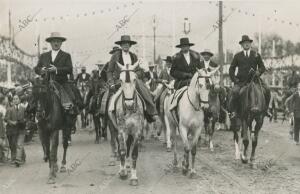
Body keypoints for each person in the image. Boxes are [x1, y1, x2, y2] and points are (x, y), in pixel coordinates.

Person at [107, 35, 157, 123]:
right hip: (120, 81)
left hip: (133, 81)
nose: (126, 45)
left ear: (130, 45)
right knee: (108, 98)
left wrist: (134, 75)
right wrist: (111, 83)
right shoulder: (115, 56)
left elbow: (139, 70)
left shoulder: (133, 56)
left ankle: (150, 112)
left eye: (127, 44)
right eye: (124, 44)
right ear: (121, 45)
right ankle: (108, 115)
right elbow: (109, 71)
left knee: (144, 90)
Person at [34, 32, 81, 116]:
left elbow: (69, 69)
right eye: (54, 41)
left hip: (62, 83)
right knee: (34, 98)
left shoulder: (66, 55)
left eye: (58, 41)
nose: (56, 43)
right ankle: (34, 117)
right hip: (46, 83)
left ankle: (70, 119)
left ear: (61, 43)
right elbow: (36, 68)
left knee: (72, 98)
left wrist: (56, 69)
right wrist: (42, 70)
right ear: (50, 43)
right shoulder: (44, 56)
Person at [229, 35, 271, 118]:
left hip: (255, 80)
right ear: (242, 45)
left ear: (250, 44)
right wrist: (234, 79)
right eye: (244, 43)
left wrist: (259, 72)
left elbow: (262, 67)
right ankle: (233, 111)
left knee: (267, 90)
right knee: (234, 92)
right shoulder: (237, 56)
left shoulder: (256, 54)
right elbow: (231, 69)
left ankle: (266, 109)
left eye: (248, 43)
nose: (246, 44)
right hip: (241, 81)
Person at [5, 94, 26, 167]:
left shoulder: (23, 108)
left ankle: (18, 161)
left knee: (19, 144)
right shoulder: (9, 109)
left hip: (21, 129)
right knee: (14, 145)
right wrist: (11, 122)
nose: (15, 100)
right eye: (14, 99)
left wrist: (24, 121)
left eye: (17, 99)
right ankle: (22, 157)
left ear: (19, 100)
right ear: (12, 101)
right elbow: (6, 119)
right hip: (13, 130)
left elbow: (26, 117)